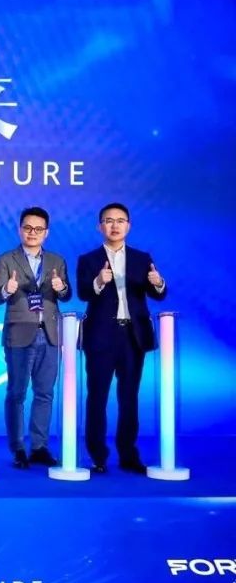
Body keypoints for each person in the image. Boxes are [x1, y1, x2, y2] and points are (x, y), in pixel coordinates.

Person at [76, 202, 167, 475]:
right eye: (108, 220)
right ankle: (98, 456)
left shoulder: (142, 258)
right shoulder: (88, 260)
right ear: (99, 226)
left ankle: (128, 454)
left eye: (120, 220)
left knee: (129, 397)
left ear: (128, 225)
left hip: (132, 336)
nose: (114, 225)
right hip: (100, 336)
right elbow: (82, 293)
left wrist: (158, 283)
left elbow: (158, 294)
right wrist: (98, 281)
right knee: (97, 397)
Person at [0, 207, 71, 470]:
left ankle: (39, 446)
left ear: (46, 233)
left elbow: (66, 295)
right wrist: (7, 289)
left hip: (50, 334)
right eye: (27, 228)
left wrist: (61, 288)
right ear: (20, 230)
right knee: (16, 393)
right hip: (19, 334)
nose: (32, 233)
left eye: (38, 229)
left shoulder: (57, 261)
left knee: (45, 393)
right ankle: (17, 448)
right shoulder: (6, 259)